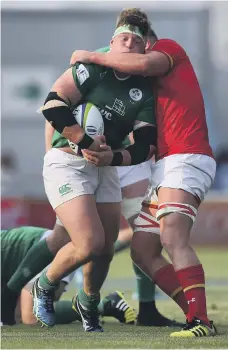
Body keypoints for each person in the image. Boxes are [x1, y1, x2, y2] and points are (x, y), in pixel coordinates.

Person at [70, 8, 217, 337]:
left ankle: (201, 321)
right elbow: (142, 140)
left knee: (172, 237)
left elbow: (142, 63)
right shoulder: (144, 89)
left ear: (146, 42)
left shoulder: (167, 49)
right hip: (166, 163)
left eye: (133, 43)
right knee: (143, 250)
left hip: (187, 156)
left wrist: (92, 56)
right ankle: (195, 313)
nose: (127, 50)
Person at [33, 14, 157, 332]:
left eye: (137, 41)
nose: (129, 44)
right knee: (88, 243)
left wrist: (112, 157)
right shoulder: (92, 67)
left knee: (104, 249)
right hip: (68, 162)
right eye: (123, 38)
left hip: (104, 166)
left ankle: (88, 304)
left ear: (145, 50)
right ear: (113, 42)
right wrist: (85, 141)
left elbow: (144, 146)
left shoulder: (145, 89)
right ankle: (43, 287)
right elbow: (52, 104)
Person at [1, 226, 135, 326]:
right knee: (19, 315)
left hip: (46, 251)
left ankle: (106, 305)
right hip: (44, 248)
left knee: (32, 316)